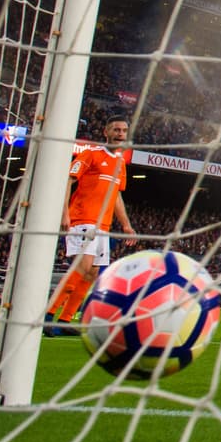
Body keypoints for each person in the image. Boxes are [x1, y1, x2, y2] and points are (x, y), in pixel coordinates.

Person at [44, 116, 136, 336]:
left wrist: (126, 225)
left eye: (124, 130)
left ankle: (66, 320)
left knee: (92, 274)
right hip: (83, 219)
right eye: (116, 129)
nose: (120, 134)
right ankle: (48, 316)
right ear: (106, 131)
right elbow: (69, 179)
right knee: (82, 268)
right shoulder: (91, 154)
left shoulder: (120, 163)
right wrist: (64, 212)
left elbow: (116, 197)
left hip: (103, 226)